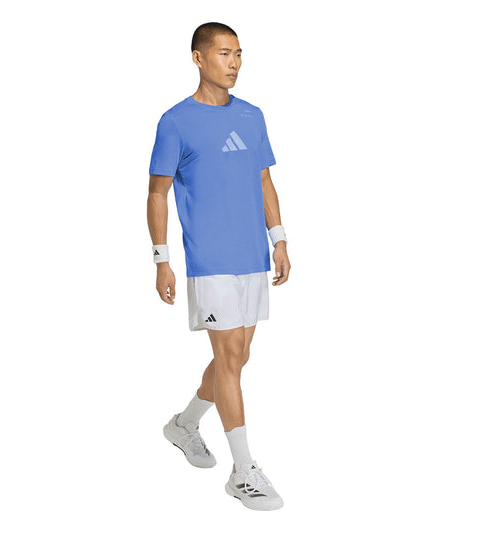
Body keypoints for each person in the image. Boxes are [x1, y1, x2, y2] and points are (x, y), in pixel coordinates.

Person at [146, 22, 291, 511]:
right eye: (225, 53)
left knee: (238, 356)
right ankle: (243, 471)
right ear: (198, 58)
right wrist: (162, 259)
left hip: (252, 255)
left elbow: (264, 181)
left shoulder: (252, 115)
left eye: (239, 53)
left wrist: (279, 239)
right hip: (208, 260)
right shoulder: (175, 121)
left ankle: (184, 424)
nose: (234, 63)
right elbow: (157, 193)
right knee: (229, 358)